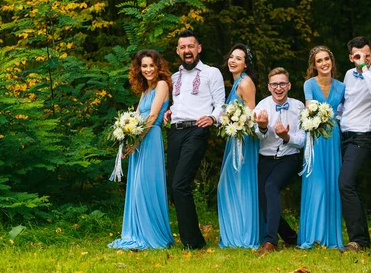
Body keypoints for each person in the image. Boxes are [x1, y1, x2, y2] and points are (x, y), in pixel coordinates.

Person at [164, 30, 225, 250]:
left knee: (180, 183)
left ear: (199, 48)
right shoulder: (174, 77)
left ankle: (194, 243)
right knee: (174, 186)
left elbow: (221, 104)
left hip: (196, 130)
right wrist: (169, 111)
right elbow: (178, 103)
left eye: (191, 46)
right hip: (175, 131)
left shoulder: (211, 73)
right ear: (178, 51)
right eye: (183, 47)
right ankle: (189, 238)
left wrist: (212, 117)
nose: (187, 50)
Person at [109, 49, 174, 250]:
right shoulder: (145, 90)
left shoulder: (162, 85)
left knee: (147, 185)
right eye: (144, 66)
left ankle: (152, 234)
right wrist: (126, 133)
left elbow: (152, 116)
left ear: (158, 66)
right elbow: (136, 116)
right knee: (136, 186)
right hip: (139, 140)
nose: (148, 70)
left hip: (150, 138)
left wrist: (136, 140)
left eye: (151, 65)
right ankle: (136, 231)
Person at [339, 36, 371, 252]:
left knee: (346, 183)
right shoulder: (349, 75)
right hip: (343, 136)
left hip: (362, 138)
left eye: (367, 55)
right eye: (358, 56)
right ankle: (360, 239)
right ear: (351, 57)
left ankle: (359, 241)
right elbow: (344, 105)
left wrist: (365, 69)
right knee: (347, 185)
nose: (364, 59)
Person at [254, 67, 306, 255]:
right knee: (264, 202)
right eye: (275, 84)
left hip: (288, 158)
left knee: (271, 186)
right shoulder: (261, 106)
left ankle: (270, 242)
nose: (278, 87)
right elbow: (256, 136)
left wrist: (286, 136)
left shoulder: (299, 107)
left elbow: (302, 141)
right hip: (265, 159)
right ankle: (290, 237)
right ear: (269, 87)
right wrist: (262, 127)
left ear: (289, 85)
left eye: (282, 83)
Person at [297, 46, 345, 250]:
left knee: (331, 183)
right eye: (319, 61)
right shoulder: (309, 84)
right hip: (315, 136)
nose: (324, 63)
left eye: (327, 59)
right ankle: (313, 235)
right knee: (317, 184)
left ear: (332, 61)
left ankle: (330, 237)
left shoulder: (342, 87)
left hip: (333, 137)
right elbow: (309, 105)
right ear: (314, 65)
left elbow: (348, 110)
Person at [217, 44, 261, 249]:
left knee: (239, 186)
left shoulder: (245, 83)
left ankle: (244, 235)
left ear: (245, 64)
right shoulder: (235, 83)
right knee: (229, 186)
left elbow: (251, 114)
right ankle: (234, 234)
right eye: (231, 57)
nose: (233, 61)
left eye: (239, 58)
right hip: (234, 139)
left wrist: (236, 123)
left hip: (244, 142)